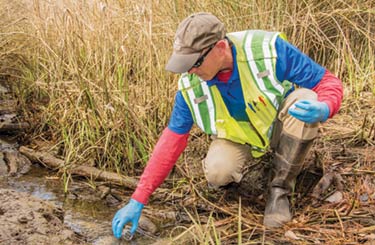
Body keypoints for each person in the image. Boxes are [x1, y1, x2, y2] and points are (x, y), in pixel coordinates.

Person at [112, 12, 343, 238]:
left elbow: (326, 81)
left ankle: (279, 190)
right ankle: (253, 173)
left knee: (307, 100)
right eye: (186, 64)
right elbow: (171, 140)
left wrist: (326, 106)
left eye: (195, 62)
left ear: (221, 48)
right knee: (217, 170)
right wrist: (138, 199)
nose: (190, 71)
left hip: (280, 124)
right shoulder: (191, 84)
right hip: (241, 138)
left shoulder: (266, 50)